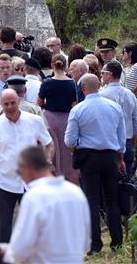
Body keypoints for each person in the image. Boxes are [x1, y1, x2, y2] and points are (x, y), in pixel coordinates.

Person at [0, 89, 54, 264]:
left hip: (31, 183)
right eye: (6, 104)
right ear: (1, 105)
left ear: (19, 101)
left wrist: (46, 163)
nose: (10, 107)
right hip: (4, 182)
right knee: (4, 228)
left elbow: (49, 144)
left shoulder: (35, 121)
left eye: (12, 103)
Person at [65, 73, 127, 253]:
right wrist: (120, 159)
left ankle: (95, 244)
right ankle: (117, 241)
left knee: (91, 201)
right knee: (112, 200)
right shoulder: (114, 107)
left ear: (83, 88)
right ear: (99, 85)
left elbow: (70, 140)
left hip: (89, 158)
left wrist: (77, 152)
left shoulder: (78, 109)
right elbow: (121, 138)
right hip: (110, 157)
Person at [3, 146, 91, 264]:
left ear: (26, 167)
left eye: (19, 172)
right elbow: (85, 242)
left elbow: (21, 247)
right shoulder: (76, 193)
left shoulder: (34, 197)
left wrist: (8, 253)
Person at [37, 55, 80, 184]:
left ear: (52, 65)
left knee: (52, 146)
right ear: (66, 66)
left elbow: (38, 102)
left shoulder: (47, 82)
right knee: (66, 148)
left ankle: (54, 173)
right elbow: (74, 103)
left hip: (50, 118)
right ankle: (69, 175)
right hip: (67, 118)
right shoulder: (71, 83)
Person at [100, 61, 137, 178]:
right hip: (127, 141)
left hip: (110, 144)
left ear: (109, 74)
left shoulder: (102, 95)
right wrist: (133, 141)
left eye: (103, 73)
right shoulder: (130, 94)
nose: (101, 75)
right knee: (125, 181)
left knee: (109, 182)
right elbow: (136, 121)